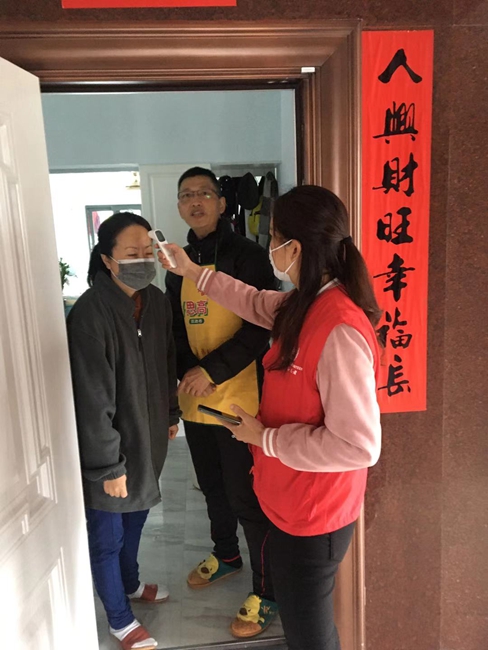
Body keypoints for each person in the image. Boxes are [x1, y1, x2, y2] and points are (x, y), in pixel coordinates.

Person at [160, 185, 382, 650]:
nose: (270, 247)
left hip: (316, 513)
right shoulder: (302, 303)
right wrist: (192, 272)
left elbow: (359, 446)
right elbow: (250, 300)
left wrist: (267, 439)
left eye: (275, 236)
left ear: (294, 248)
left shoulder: (338, 326)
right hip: (289, 500)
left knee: (308, 635)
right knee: (302, 626)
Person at [165, 167, 278, 638]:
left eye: (204, 194)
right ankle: (226, 554)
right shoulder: (176, 262)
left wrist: (211, 370)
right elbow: (176, 326)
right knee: (211, 486)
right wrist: (187, 372)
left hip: (239, 398)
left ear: (222, 202)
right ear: (179, 206)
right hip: (195, 397)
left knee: (246, 497)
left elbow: (260, 326)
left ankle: (267, 589)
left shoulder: (248, 255)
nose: (195, 201)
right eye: (186, 195)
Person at [67, 212, 180, 650]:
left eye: (148, 251)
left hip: (148, 437)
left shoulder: (156, 301)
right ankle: (119, 619)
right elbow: (91, 398)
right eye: (132, 253)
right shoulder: (90, 313)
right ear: (107, 260)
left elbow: (167, 361)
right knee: (107, 536)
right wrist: (108, 465)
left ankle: (130, 584)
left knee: (138, 514)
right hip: (110, 450)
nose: (143, 260)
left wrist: (170, 414)